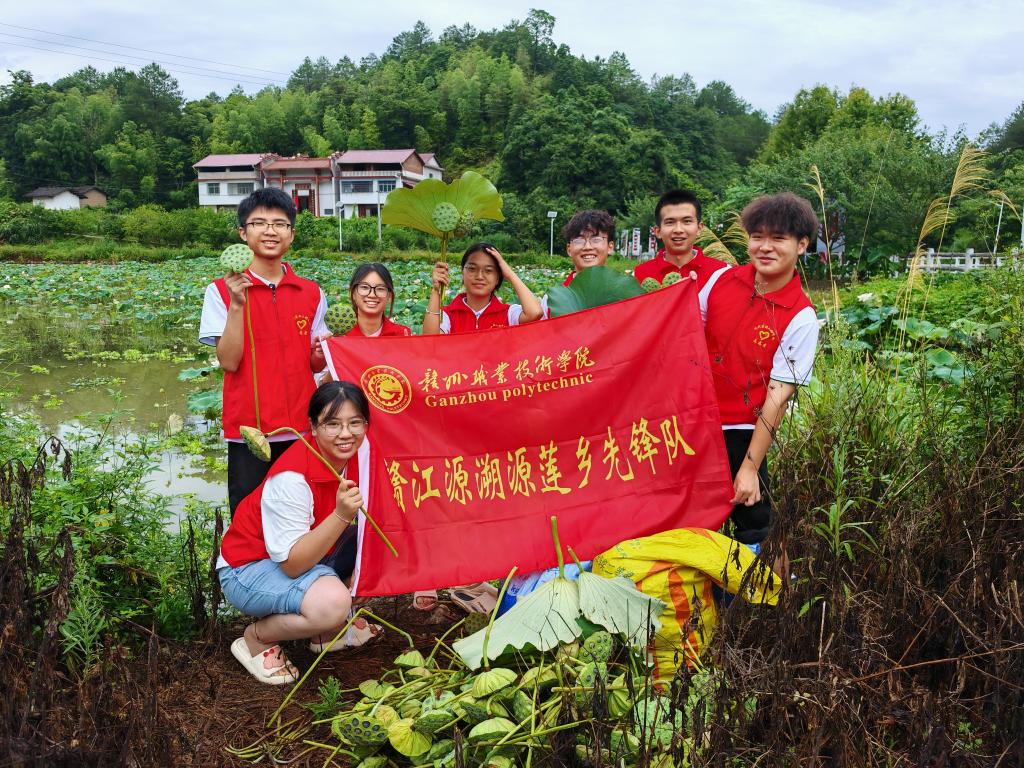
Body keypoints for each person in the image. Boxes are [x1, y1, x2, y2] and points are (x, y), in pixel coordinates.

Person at [217, 381, 382, 685]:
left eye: (355, 423)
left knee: (378, 546)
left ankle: (326, 632)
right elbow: (292, 565)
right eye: (333, 424)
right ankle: (257, 638)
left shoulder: (358, 459)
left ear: (366, 425)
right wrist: (341, 515)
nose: (346, 434)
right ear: (313, 427)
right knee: (332, 603)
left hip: (308, 557)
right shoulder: (291, 479)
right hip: (249, 569)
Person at [699, 192, 820, 549]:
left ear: (801, 245)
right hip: (694, 423)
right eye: (757, 237)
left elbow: (777, 400)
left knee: (755, 523)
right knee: (685, 520)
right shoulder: (720, 281)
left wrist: (750, 467)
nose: (765, 247)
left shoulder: (801, 316)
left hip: (742, 432)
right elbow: (684, 334)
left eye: (778, 238)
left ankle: (763, 584)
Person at [199, 188, 330, 515]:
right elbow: (229, 362)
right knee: (248, 520)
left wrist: (319, 352)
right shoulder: (219, 291)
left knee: (301, 516)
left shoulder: (311, 292)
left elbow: (315, 365)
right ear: (243, 233)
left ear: (291, 234)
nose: (270, 231)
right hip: (249, 432)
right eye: (259, 223)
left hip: (300, 429)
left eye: (279, 224)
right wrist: (237, 305)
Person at [422, 243, 543, 334]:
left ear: (498, 278)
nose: (479, 276)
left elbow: (535, 313)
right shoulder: (447, 315)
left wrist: (509, 273)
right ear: (462, 273)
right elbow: (431, 341)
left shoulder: (508, 314)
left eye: (489, 270)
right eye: (472, 269)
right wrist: (436, 290)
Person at [635, 189, 729, 289]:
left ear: (699, 229)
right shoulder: (638, 276)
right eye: (670, 222)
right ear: (658, 231)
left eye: (687, 221)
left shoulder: (722, 274)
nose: (678, 230)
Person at [346, 263, 412, 338]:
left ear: (389, 296)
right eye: (364, 287)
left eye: (380, 289)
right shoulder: (340, 335)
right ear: (353, 293)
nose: (372, 295)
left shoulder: (402, 335)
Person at [560, 210, 616, 286]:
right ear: (569, 249)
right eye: (579, 240)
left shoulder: (625, 291)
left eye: (596, 239)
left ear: (610, 247)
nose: (587, 247)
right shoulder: (558, 293)